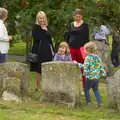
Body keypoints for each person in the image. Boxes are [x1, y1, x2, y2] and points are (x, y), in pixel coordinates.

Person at [73, 42, 106, 107]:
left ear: (88, 50)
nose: (84, 50)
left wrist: (77, 63)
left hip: (90, 77)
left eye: (85, 49)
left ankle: (88, 102)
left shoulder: (88, 58)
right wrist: (102, 73)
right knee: (96, 90)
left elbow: (85, 67)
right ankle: (100, 102)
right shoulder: (97, 57)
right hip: (96, 77)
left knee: (86, 89)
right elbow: (100, 66)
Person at [65, 8, 89, 91]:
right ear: (74, 16)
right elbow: (67, 36)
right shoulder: (71, 24)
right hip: (72, 48)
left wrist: (86, 49)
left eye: (79, 17)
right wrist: (67, 46)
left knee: (83, 68)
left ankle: (84, 88)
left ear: (82, 16)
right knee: (72, 67)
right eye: (76, 17)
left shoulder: (85, 25)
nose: (78, 18)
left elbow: (87, 38)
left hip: (82, 49)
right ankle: (72, 87)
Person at [30, 11, 53, 91]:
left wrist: (52, 49)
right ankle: (38, 87)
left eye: (43, 18)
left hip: (47, 50)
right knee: (38, 69)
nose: (42, 20)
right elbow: (37, 37)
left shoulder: (47, 27)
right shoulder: (36, 27)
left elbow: (49, 39)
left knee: (47, 68)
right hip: (38, 50)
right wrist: (43, 30)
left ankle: (47, 86)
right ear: (38, 19)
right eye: (40, 18)